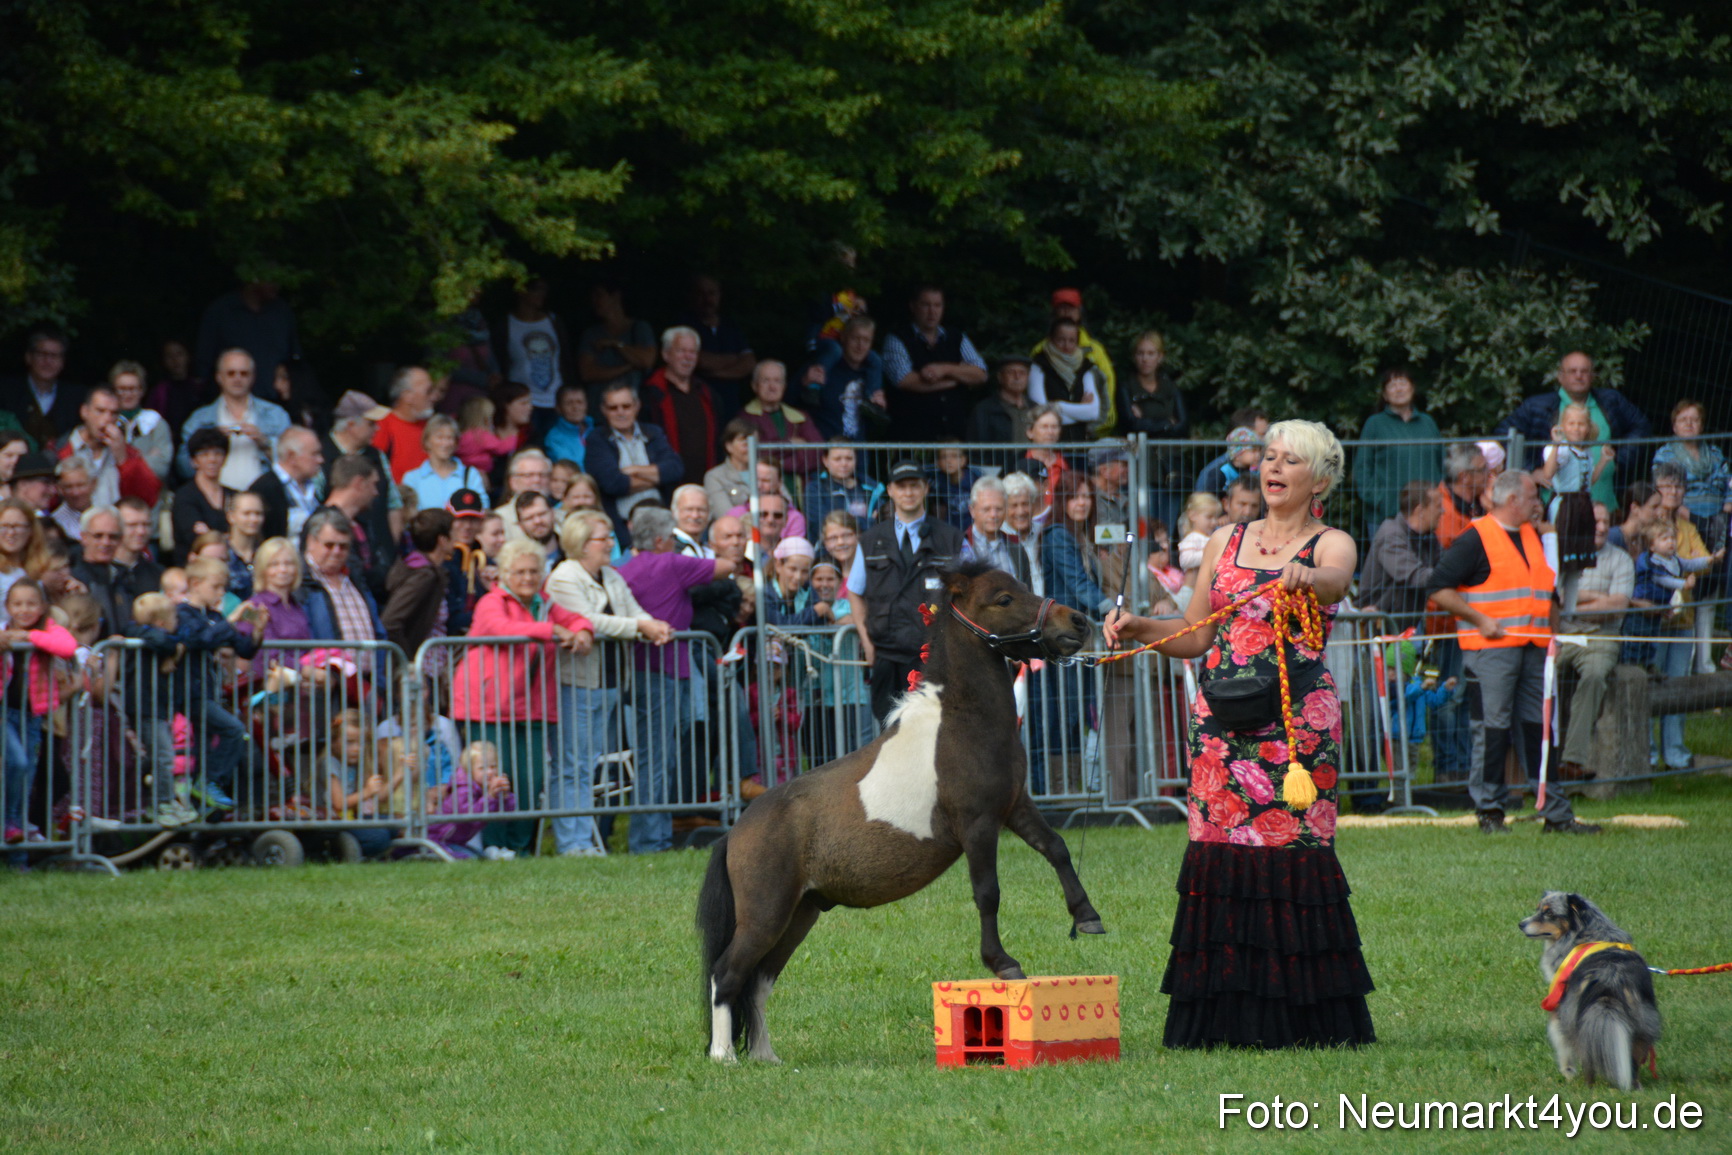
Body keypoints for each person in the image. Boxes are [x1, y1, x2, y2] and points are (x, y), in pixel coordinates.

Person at [1102, 419, 1375, 1049]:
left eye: (1290, 461)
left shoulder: (1332, 542)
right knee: (1219, 855)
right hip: (1221, 729)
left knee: (1291, 855)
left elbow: (1337, 578)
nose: (1273, 469)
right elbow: (1197, 633)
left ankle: (1307, 1022)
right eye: (1269, 458)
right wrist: (1141, 625)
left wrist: (1310, 578)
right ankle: (1222, 1020)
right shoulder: (1226, 537)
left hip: (1295, 729)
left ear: (1321, 479)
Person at [1426, 470, 1600, 834]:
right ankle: (1489, 812)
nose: (1539, 503)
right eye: (1534, 496)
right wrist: (1480, 619)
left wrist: (1553, 633)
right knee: (1491, 730)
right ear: (1513, 501)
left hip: (1534, 649)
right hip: (1491, 651)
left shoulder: (1531, 535)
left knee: (1538, 731)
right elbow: (1438, 587)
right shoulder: (1475, 538)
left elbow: (1545, 591)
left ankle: (1556, 814)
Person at [452, 537, 592, 853]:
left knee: (530, 781)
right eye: (519, 572)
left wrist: (583, 630)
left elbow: (576, 619)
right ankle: (493, 846)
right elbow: (502, 628)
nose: (527, 578)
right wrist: (554, 631)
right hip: (489, 707)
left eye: (533, 571)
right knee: (493, 778)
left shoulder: (545, 604)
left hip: (533, 707)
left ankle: (521, 848)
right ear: (504, 573)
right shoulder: (492, 601)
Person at [546, 510, 673, 856]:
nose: (611, 544)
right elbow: (590, 622)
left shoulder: (610, 575)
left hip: (612, 679)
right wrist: (639, 628)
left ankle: (582, 840)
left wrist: (654, 624)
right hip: (579, 681)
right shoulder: (563, 577)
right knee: (573, 763)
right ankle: (571, 842)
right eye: (604, 538)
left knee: (589, 762)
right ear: (583, 543)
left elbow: (633, 610)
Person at [617, 505, 734, 854]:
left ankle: (652, 836)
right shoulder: (668, 562)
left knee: (654, 759)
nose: (674, 542)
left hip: (643, 670)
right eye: (671, 537)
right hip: (664, 671)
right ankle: (650, 841)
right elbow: (727, 567)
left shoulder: (624, 569)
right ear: (658, 539)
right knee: (657, 760)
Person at [847, 460, 965, 724]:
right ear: (889, 490)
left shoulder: (951, 538)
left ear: (926, 489)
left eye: (915, 485)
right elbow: (854, 592)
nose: (908, 492)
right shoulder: (869, 540)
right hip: (886, 655)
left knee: (933, 731)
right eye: (901, 486)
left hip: (934, 655)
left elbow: (969, 589)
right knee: (890, 732)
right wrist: (867, 644)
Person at [1497, 351, 1652, 506]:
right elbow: (1504, 435)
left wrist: (1619, 460)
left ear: (1593, 376)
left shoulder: (1611, 401)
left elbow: (1642, 427)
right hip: (1557, 506)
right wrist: (1529, 471)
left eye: (1584, 371)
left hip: (1606, 502)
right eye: (1572, 371)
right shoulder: (1537, 406)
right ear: (1560, 376)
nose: (1579, 376)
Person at [174, 557, 266, 811]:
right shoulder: (182, 613)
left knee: (204, 751)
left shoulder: (214, 616)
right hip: (190, 694)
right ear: (195, 583)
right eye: (216, 587)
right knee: (234, 730)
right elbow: (199, 639)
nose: (221, 593)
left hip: (210, 693)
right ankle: (208, 783)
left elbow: (244, 649)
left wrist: (257, 630)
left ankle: (200, 807)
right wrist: (232, 620)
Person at [1632, 518, 1720, 771]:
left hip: (1682, 624)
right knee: (1650, 685)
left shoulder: (1680, 547)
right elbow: (1662, 580)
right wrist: (1684, 583)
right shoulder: (1650, 562)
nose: (1671, 542)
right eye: (1665, 538)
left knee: (1678, 685)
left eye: (1672, 538)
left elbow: (1697, 562)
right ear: (1651, 543)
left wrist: (1710, 559)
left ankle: (1675, 754)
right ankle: (1646, 754)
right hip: (1655, 628)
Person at [1554, 504, 1633, 782]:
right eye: (1596, 522)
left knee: (1594, 677)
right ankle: (1538, 762)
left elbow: (1617, 606)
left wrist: (1573, 601)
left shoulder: (1621, 559)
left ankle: (1572, 761)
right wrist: (1595, 597)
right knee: (1539, 678)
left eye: (1606, 522)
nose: (1601, 528)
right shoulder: (1562, 556)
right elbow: (1553, 599)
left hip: (1602, 634)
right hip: (1561, 633)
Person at [1, 579, 79, 842]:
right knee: (18, 763)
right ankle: (9, 821)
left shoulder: (47, 630)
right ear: (7, 607)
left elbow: (67, 647)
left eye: (31, 603)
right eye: (18, 604)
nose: (24, 609)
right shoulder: (2, 631)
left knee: (28, 776)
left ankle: (19, 851)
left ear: (43, 606)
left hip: (32, 716)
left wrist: (28, 636)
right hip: (4, 714)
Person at [1534, 401, 1615, 617]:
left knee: (1575, 566)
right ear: (1564, 425)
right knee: (1559, 560)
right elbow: (1548, 474)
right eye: (1572, 424)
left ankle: (1568, 613)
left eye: (1581, 424)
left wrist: (1603, 462)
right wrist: (1557, 445)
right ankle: (1550, 612)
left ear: (1588, 427)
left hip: (1583, 508)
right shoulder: (1561, 451)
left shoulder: (1586, 453)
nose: (1577, 428)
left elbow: (1590, 481)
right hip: (1565, 508)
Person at [880, 284, 988, 440]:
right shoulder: (897, 339)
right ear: (913, 306)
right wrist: (955, 380)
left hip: (954, 438)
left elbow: (981, 374)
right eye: (926, 305)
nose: (932, 311)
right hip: (911, 437)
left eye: (937, 305)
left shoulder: (956, 337)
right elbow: (905, 380)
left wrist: (943, 369)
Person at [585, 383, 684, 545]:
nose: (621, 412)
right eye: (613, 408)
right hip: (623, 527)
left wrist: (633, 470)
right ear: (603, 410)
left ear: (637, 406)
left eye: (626, 406)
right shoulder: (597, 439)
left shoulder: (653, 432)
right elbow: (613, 483)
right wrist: (657, 478)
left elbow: (675, 469)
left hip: (664, 519)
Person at [176, 349, 290, 488]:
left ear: (253, 377)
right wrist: (208, 443)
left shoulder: (275, 414)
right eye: (231, 373)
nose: (237, 379)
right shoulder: (199, 419)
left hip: (262, 501)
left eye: (244, 373)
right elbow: (183, 468)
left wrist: (265, 443)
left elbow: (293, 463)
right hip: (215, 501)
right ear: (219, 377)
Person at [1353, 367, 1444, 537]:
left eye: (1403, 382)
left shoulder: (1428, 423)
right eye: (1392, 385)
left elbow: (1442, 463)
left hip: (1428, 514)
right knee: (1388, 563)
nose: (1399, 388)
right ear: (1385, 395)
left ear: (1413, 388)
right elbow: (1362, 468)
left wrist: (1437, 500)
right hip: (1386, 517)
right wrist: (1380, 501)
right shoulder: (1375, 424)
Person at [54, 384, 164, 509]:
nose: (107, 419)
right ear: (84, 412)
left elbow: (148, 498)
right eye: (100, 411)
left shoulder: (127, 452)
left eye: (113, 413)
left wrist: (124, 460)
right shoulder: (60, 450)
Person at [491, 276, 573, 434]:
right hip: (522, 401)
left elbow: (565, 358)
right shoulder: (507, 323)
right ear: (522, 292)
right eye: (537, 289)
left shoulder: (553, 321)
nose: (542, 294)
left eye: (544, 290)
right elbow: (499, 359)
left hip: (554, 399)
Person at [641, 327, 721, 486]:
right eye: (681, 351)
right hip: (665, 484)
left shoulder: (707, 393)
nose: (688, 357)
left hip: (705, 483)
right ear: (665, 354)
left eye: (693, 352)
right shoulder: (650, 393)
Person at [1356, 480, 1441, 629]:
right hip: (1373, 630)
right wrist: (1454, 573)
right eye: (1438, 506)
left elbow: (1442, 565)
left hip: (1399, 629)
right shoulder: (1391, 535)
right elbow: (1416, 576)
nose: (1443, 511)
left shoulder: (1428, 537)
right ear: (1420, 511)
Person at [299, 508, 386, 647]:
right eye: (329, 545)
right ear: (311, 542)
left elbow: (378, 631)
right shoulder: (298, 582)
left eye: (343, 546)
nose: (336, 552)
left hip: (369, 668)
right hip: (324, 667)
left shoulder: (356, 578)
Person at [194, 279, 301, 391]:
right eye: (271, 278)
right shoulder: (221, 312)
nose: (277, 285)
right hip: (231, 401)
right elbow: (204, 362)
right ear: (253, 278)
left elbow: (295, 358)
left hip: (275, 400)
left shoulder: (282, 312)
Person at [382, 510, 455, 658]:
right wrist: (407, 662)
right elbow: (390, 622)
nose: (456, 539)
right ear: (442, 540)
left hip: (432, 666)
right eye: (453, 533)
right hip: (418, 668)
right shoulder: (423, 576)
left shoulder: (429, 571)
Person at [679, 273, 757, 409]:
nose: (707, 299)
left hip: (730, 403)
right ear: (692, 296)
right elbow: (700, 360)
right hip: (697, 403)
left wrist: (716, 373)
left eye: (711, 293)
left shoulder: (731, 326)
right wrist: (734, 358)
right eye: (701, 293)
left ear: (719, 295)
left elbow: (749, 363)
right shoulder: (685, 325)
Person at [735, 360, 823, 477]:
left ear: (784, 386)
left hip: (798, 489)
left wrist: (779, 463)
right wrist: (789, 444)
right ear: (754, 386)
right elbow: (750, 453)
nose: (772, 387)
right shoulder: (744, 418)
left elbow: (817, 452)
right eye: (766, 381)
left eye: (777, 381)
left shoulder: (801, 417)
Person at [804, 314, 884, 440]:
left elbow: (875, 429)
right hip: (825, 452)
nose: (860, 345)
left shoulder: (871, 375)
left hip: (857, 454)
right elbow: (792, 403)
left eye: (866, 341)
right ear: (843, 338)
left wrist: (879, 408)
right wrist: (803, 384)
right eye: (855, 338)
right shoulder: (824, 367)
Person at [320, 454, 391, 597]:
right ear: (359, 483)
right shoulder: (322, 524)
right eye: (373, 484)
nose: (376, 492)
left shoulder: (361, 523)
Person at [1, 327, 83, 449]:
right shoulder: (6, 392)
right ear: (29, 357)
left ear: (62, 362)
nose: (48, 361)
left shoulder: (77, 397)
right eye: (42, 354)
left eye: (54, 356)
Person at [1027, 317, 1103, 442]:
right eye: (1061, 340)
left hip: (1079, 444)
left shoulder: (1086, 367)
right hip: (1049, 445)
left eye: (1072, 340)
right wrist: (1080, 413)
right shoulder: (1038, 366)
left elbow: (1093, 412)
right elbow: (1040, 412)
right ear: (1051, 339)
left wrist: (1057, 406)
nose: (1067, 346)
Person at [577, 280, 657, 398]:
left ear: (615, 296)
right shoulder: (591, 334)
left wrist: (615, 344)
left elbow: (647, 361)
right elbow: (587, 373)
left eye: (599, 295)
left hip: (633, 406)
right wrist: (628, 367)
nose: (594, 301)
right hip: (599, 406)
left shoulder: (639, 328)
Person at [402, 415, 486, 514]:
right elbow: (409, 514)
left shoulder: (470, 474)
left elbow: (482, 507)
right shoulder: (412, 478)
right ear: (427, 441)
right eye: (439, 437)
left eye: (450, 438)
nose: (445, 443)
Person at [966, 355, 1036, 473]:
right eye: (1010, 372)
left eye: (1022, 373)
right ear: (1000, 377)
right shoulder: (984, 410)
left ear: (1028, 377)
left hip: (1033, 470)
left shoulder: (1036, 408)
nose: (1017, 377)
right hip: (996, 472)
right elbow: (976, 450)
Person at [171, 428, 233, 562]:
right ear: (194, 460)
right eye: (204, 454)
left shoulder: (233, 495)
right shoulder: (184, 496)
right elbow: (196, 538)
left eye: (218, 453)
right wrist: (228, 537)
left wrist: (209, 532)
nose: (212, 459)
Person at [107, 360, 174, 483]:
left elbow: (161, 469)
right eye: (122, 389)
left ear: (142, 391)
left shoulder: (157, 424)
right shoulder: (106, 423)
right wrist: (145, 458)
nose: (127, 394)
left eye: (133, 389)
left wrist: (124, 460)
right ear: (113, 391)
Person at [371, 366, 436, 482]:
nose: (434, 397)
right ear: (408, 396)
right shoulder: (382, 425)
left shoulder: (431, 426)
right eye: (428, 391)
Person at [803, 444, 882, 535]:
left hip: (868, 544)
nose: (844, 464)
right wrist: (868, 522)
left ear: (856, 459)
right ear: (825, 461)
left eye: (849, 458)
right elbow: (820, 524)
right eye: (837, 459)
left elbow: (883, 522)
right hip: (830, 545)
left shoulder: (873, 488)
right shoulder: (815, 489)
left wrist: (837, 520)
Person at [959, 475, 1026, 583]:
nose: (993, 515)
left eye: (999, 509)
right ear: (972, 510)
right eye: (986, 509)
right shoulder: (961, 545)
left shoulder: (1015, 546)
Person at [1016, 404, 1068, 518]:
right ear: (1030, 432)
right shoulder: (1016, 462)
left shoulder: (1069, 463)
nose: (1050, 432)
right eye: (1044, 427)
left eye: (1054, 427)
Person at [1435, 441, 1489, 549]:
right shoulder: (1444, 510)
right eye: (1483, 469)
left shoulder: (1484, 498)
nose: (1489, 474)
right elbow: (1459, 550)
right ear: (1464, 477)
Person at [703, 418, 758, 520]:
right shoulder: (715, 476)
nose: (750, 446)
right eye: (744, 442)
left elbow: (787, 505)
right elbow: (725, 515)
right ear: (729, 446)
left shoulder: (767, 471)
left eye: (754, 441)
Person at [0, 500, 50, 603]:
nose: (11, 533)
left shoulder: (39, 569)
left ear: (30, 530)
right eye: (4, 526)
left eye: (17, 526)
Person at [1194, 425, 1262, 499]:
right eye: (1253, 451)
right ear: (1238, 454)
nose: (1258, 455)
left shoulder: (1255, 473)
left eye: (1259, 450)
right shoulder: (1220, 473)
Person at [114, 497, 164, 595]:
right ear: (114, 526)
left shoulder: (159, 575)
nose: (141, 531)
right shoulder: (100, 575)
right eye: (132, 525)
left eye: (146, 525)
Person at [224, 490, 267, 600]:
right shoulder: (220, 552)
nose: (253, 519)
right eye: (246, 513)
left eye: (258, 514)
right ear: (231, 516)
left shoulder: (267, 553)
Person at [543, 384, 593, 471]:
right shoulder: (554, 438)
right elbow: (571, 469)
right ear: (558, 408)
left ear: (586, 405)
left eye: (580, 402)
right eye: (569, 403)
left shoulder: (596, 430)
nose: (575, 407)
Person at [50, 457, 95, 542]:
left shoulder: (106, 514)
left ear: (93, 484)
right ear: (60, 489)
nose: (75, 493)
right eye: (68, 487)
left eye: (80, 485)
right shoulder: (56, 523)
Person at [1089, 442, 1131, 530]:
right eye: (1124, 465)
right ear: (1105, 471)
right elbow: (1104, 537)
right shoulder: (1087, 497)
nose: (1129, 470)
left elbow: (1133, 533)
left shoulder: (1123, 497)